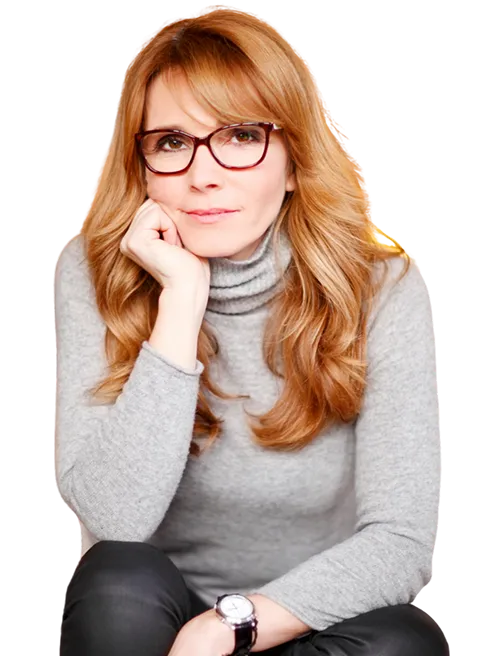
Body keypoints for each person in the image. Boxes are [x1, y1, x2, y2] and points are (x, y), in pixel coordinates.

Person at [54, 4, 448, 655]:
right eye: (172, 142)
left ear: (293, 162)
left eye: (241, 136)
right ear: (142, 165)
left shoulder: (384, 288)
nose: (203, 175)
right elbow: (116, 519)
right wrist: (182, 300)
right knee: (116, 583)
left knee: (403, 644)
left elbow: (401, 542)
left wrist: (226, 627)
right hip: (151, 625)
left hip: (311, 621)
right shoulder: (96, 270)